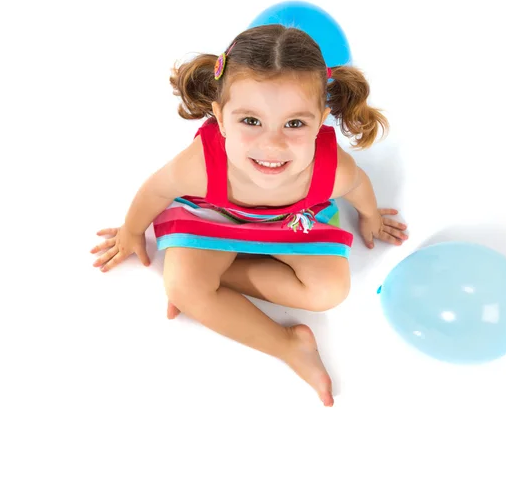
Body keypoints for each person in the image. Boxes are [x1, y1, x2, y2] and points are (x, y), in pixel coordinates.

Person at [91, 24, 408, 406]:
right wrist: (131, 230)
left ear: (321, 119)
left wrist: (370, 216)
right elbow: (156, 189)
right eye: (251, 121)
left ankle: (207, 281)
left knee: (330, 292)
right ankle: (287, 344)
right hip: (214, 217)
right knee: (183, 287)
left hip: (293, 223)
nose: (272, 144)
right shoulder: (202, 166)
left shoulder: (332, 168)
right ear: (220, 118)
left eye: (294, 123)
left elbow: (358, 186)